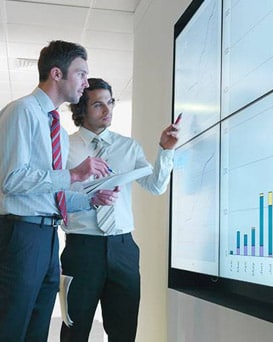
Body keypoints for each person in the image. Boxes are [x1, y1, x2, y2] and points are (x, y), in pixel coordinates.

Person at [0, 40, 115, 341]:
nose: (86, 82)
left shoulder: (59, 131)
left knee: (38, 327)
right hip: (21, 235)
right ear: (56, 74)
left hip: (49, 237)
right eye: (81, 73)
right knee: (12, 325)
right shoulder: (21, 112)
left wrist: (91, 200)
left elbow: (52, 195)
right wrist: (74, 173)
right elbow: (12, 180)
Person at [60, 78, 179, 341]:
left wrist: (165, 151)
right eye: (98, 105)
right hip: (82, 249)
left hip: (123, 248)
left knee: (123, 332)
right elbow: (54, 199)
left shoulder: (128, 147)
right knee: (74, 330)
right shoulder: (65, 147)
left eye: (110, 102)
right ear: (81, 110)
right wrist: (88, 197)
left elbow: (155, 186)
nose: (107, 110)